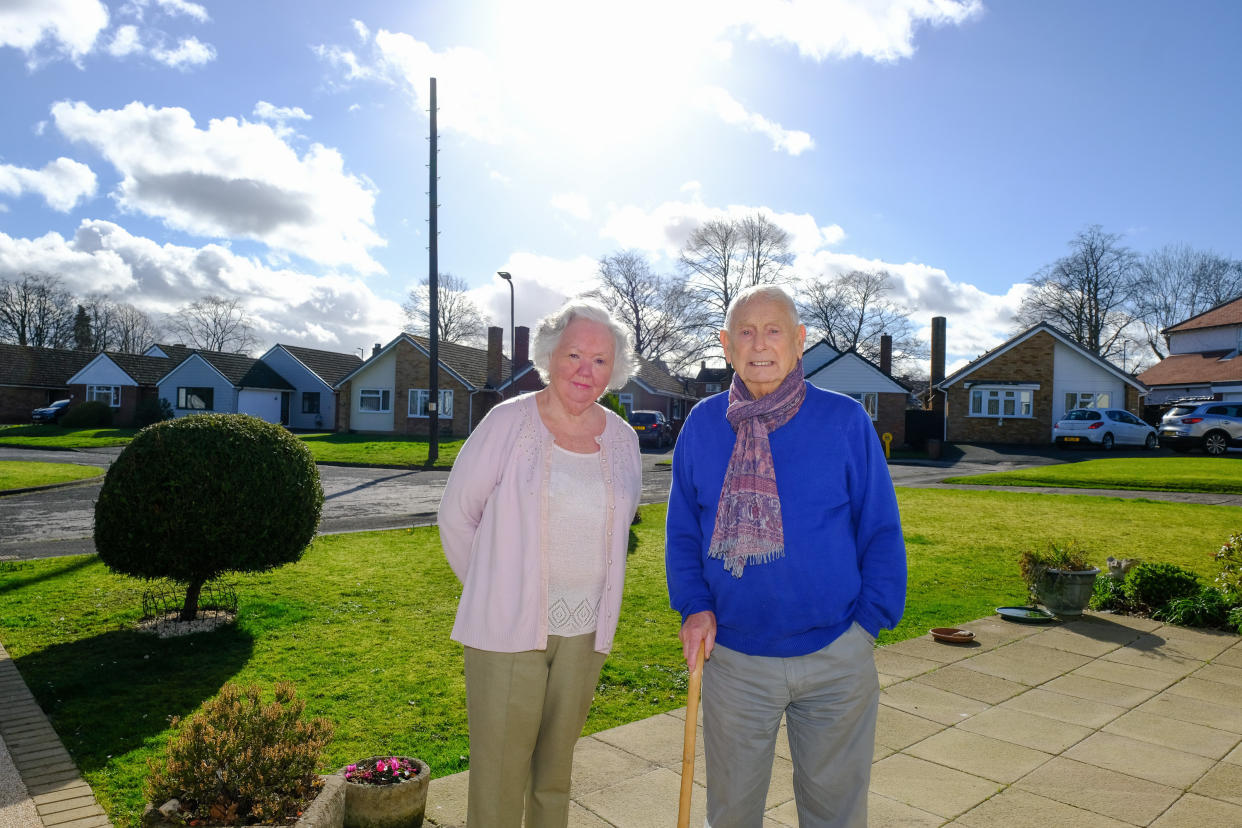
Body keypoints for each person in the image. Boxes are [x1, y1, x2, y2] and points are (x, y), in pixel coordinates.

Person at [665, 284, 906, 828]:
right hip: (733, 660)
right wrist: (694, 606)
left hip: (836, 655)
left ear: (799, 341)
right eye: (746, 332)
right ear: (726, 346)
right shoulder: (703, 426)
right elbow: (681, 532)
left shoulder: (844, 421)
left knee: (835, 814)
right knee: (731, 813)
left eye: (774, 330)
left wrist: (866, 627)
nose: (760, 344)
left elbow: (881, 529)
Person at [438, 298, 641, 828]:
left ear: (613, 369)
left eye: (600, 361)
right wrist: (499, 591)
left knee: (556, 774)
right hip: (506, 634)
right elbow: (458, 516)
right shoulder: (508, 422)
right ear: (551, 356)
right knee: (499, 778)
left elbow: (620, 526)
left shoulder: (623, 440)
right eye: (575, 354)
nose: (585, 370)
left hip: (585, 631)